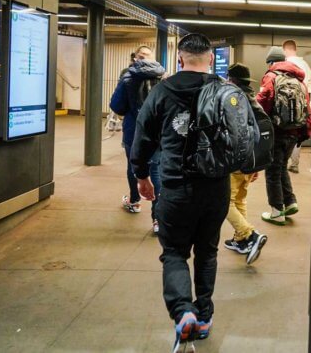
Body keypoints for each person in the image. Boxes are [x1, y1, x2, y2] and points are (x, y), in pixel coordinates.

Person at [131, 33, 229, 349]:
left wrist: (141, 175)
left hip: (176, 185)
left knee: (174, 252)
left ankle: (183, 311)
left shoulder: (162, 91)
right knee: (208, 251)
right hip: (216, 186)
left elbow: (143, 136)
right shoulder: (225, 90)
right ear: (210, 59)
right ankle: (204, 315)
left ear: (179, 59)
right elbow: (249, 131)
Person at [109, 45, 164, 233]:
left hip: (133, 130)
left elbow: (117, 106)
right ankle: (158, 220)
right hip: (157, 132)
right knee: (155, 171)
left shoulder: (127, 76)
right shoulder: (162, 76)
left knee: (133, 167)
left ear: (135, 58)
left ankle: (134, 201)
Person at [256, 46, 311, 225]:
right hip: (294, 133)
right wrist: (305, 132)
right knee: (281, 168)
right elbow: (307, 107)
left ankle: (276, 211)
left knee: (272, 171)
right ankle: (290, 202)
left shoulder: (271, 77)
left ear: (271, 62)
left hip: (276, 132)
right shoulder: (298, 80)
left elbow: (262, 102)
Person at [223, 63, 268, 265]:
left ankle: (250, 234)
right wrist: (256, 165)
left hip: (236, 160)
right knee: (240, 198)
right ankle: (240, 240)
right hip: (251, 159)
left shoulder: (233, 100)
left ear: (231, 80)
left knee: (224, 201)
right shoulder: (253, 99)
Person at [282, 40, 311, 174]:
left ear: (285, 50)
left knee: (286, 133)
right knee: (296, 134)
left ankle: (284, 161)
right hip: (304, 105)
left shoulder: (287, 64)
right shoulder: (305, 65)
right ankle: (294, 163)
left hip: (290, 106)